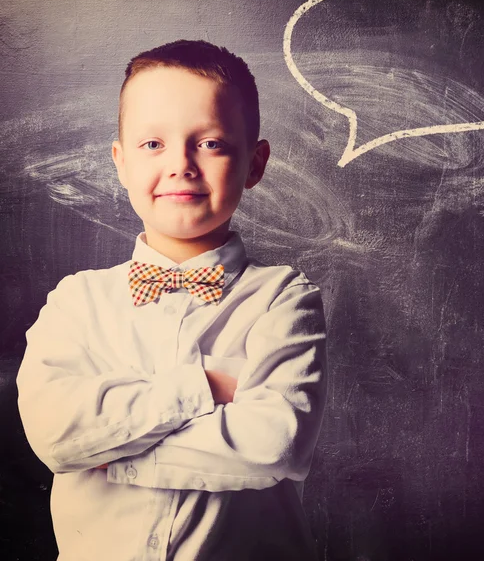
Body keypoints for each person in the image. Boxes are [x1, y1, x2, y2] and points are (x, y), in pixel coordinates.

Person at [16, 39, 328, 561]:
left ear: (255, 163)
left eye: (210, 143)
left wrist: (113, 455)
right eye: (152, 144)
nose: (181, 164)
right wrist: (201, 387)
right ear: (120, 163)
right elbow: (55, 436)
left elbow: (277, 444)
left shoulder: (284, 299)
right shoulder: (76, 302)